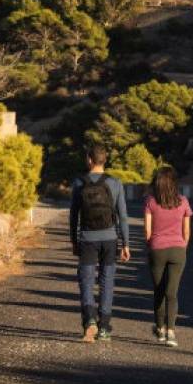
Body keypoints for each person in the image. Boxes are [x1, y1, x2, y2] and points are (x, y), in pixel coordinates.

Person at [69, 145, 130, 343]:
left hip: (87, 239)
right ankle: (104, 328)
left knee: (86, 281)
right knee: (107, 282)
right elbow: (123, 216)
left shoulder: (79, 182)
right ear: (104, 160)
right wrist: (126, 243)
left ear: (89, 160)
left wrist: (74, 240)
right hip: (110, 240)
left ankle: (90, 323)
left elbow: (73, 215)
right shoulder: (115, 183)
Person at [144, 166, 191, 348]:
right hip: (178, 250)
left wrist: (152, 245)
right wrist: (182, 247)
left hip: (157, 249)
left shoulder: (150, 202)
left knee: (159, 290)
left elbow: (147, 231)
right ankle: (171, 332)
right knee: (172, 292)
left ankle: (160, 329)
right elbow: (187, 231)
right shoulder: (184, 201)